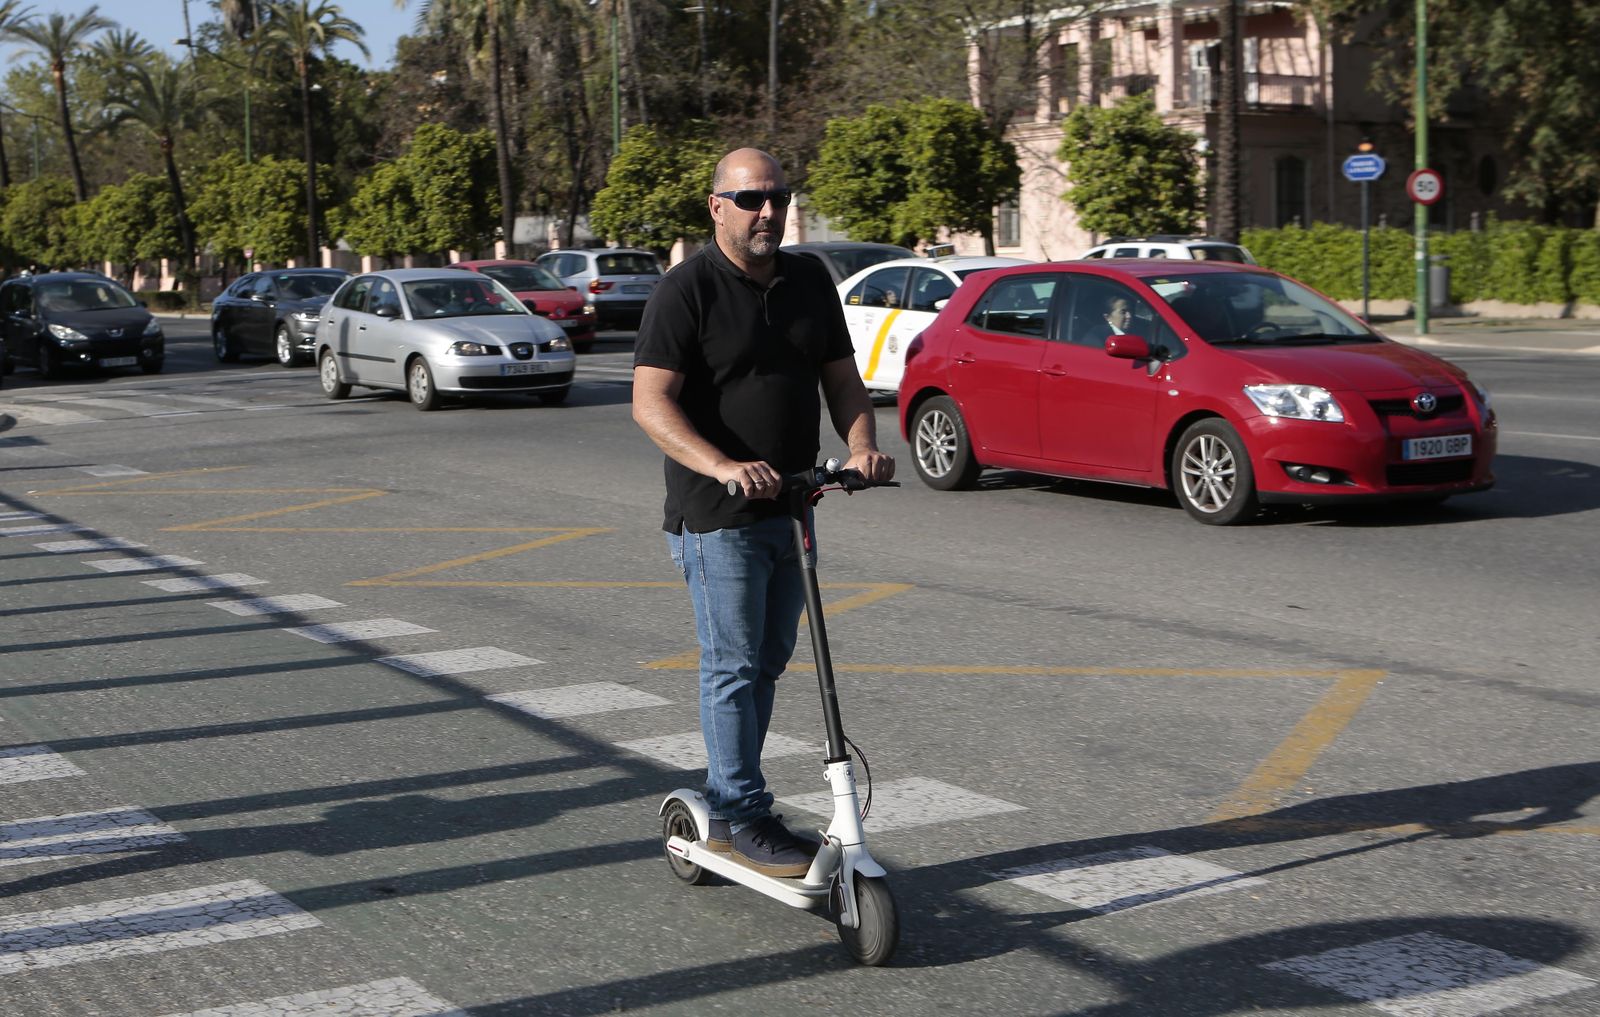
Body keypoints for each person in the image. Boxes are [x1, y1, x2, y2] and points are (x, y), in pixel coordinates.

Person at [632, 148, 895, 878]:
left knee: (767, 662)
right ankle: (741, 812)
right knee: (734, 664)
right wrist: (721, 464)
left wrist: (863, 445)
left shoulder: (809, 278)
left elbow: (841, 379)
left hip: (793, 504)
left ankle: (734, 797)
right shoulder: (685, 291)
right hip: (717, 514)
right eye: (750, 199)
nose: (768, 212)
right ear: (716, 206)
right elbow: (649, 402)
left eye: (778, 196)